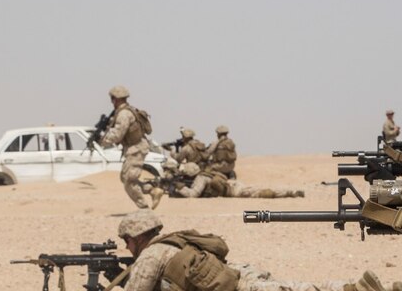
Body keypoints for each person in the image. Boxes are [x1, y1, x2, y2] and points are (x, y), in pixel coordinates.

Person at [100, 210, 402, 291]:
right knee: (292, 288)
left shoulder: (151, 254)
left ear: (138, 236)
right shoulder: (172, 242)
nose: (127, 247)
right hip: (241, 273)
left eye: (127, 241)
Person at [99, 85, 156, 209]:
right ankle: (153, 191)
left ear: (115, 99)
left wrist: (102, 140)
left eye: (112, 98)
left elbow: (118, 134)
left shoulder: (124, 114)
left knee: (129, 181)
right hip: (135, 148)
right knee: (126, 178)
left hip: (136, 149)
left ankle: (143, 208)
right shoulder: (127, 110)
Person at [175, 163, 303, 199]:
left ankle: (290, 193)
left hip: (235, 190)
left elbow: (193, 194)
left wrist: (181, 188)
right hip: (234, 184)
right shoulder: (207, 173)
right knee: (258, 190)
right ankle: (290, 192)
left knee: (263, 193)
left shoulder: (200, 178)